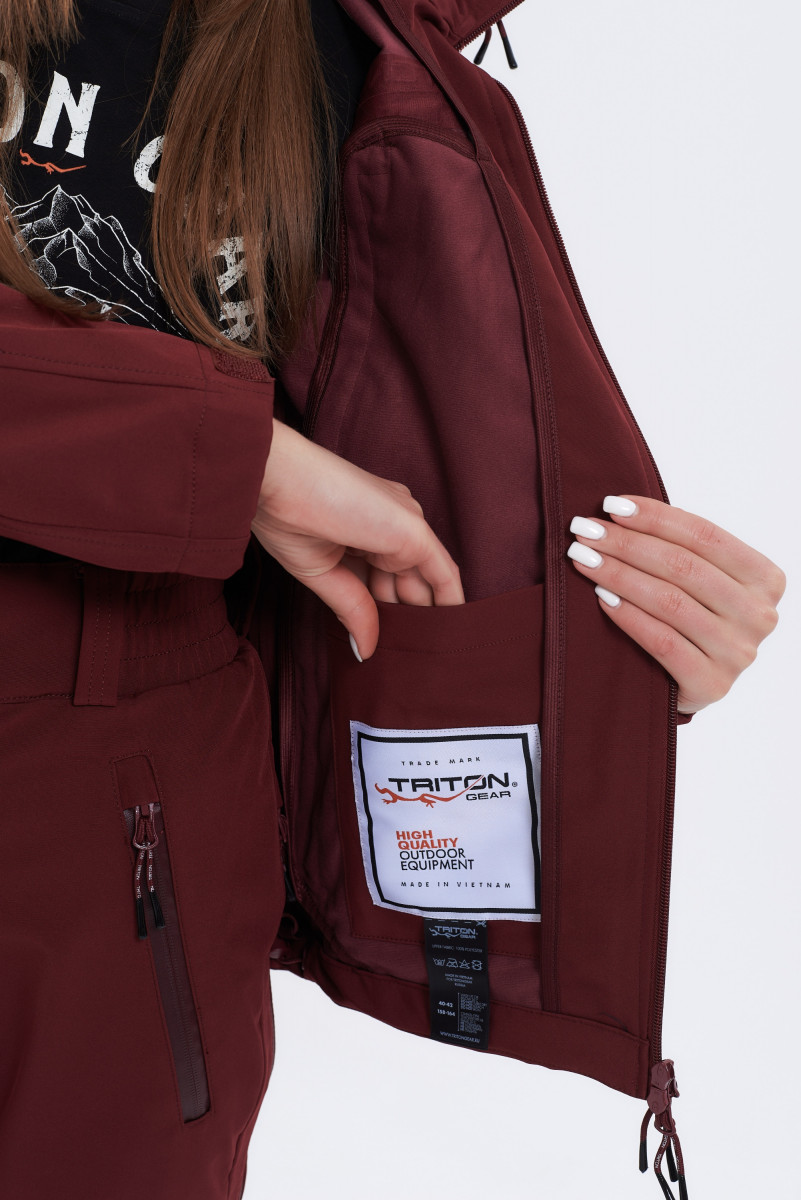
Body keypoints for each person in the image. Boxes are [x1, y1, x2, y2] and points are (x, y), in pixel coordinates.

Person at [0, 1, 785, 1197]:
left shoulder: (363, 51)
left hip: (129, 838)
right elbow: (270, 473)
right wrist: (233, 458)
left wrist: (610, 650)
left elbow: (401, 502)